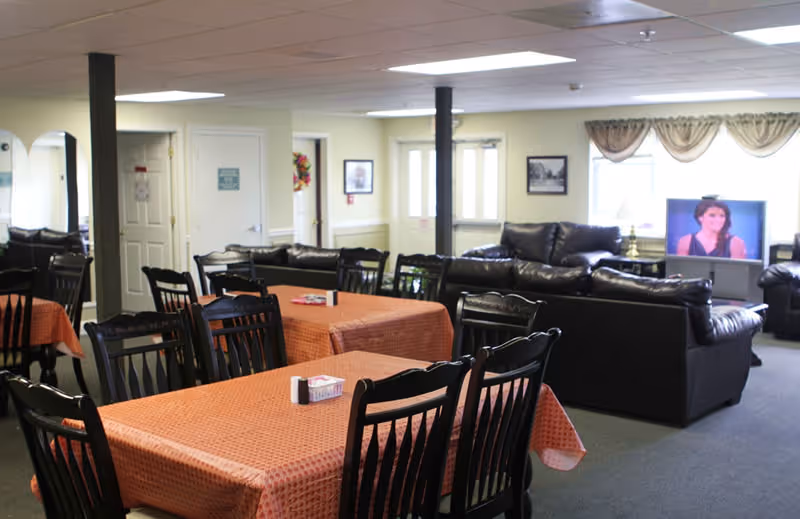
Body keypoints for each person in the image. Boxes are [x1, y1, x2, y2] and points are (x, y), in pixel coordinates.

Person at [676, 199, 747, 259]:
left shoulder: (736, 243)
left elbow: (738, 272)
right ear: (700, 217)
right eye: (712, 215)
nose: (718, 220)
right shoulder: (686, 241)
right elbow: (681, 272)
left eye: (722, 216)